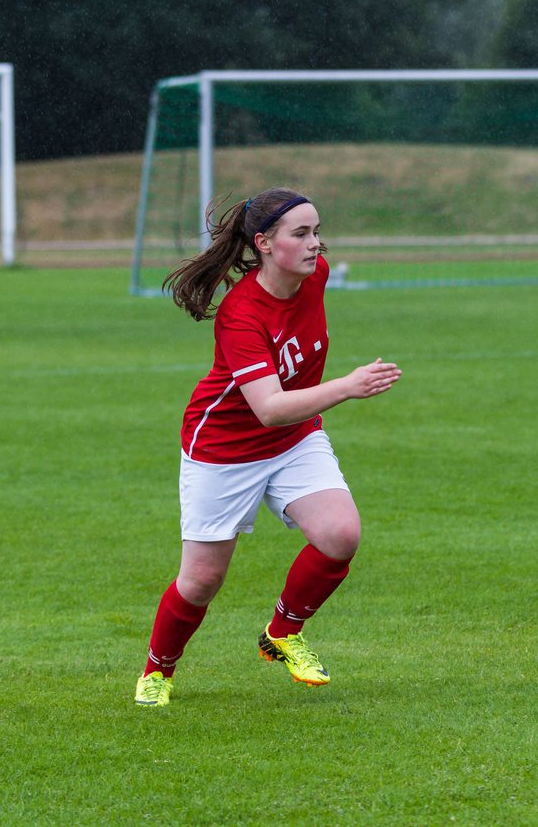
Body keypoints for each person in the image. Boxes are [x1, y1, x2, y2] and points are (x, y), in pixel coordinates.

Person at [134, 187, 402, 707]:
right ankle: (157, 672)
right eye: (300, 234)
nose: (315, 244)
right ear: (263, 243)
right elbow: (269, 407)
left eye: (318, 231)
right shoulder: (241, 313)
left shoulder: (315, 276)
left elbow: (285, 417)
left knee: (340, 534)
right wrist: (348, 385)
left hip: (294, 437)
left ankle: (282, 633)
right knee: (202, 580)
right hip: (225, 447)